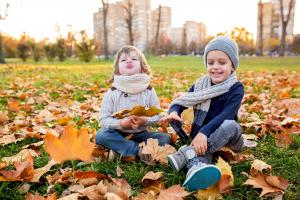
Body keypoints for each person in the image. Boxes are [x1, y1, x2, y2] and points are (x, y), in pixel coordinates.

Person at [160, 36, 244, 191]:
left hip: (228, 137)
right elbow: (183, 100)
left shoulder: (236, 87)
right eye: (210, 62)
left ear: (233, 65)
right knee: (201, 155)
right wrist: (174, 112)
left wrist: (204, 132)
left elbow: (228, 114)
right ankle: (194, 167)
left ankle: (187, 153)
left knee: (230, 125)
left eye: (222, 62)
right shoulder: (201, 85)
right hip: (203, 140)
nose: (215, 67)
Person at [95, 45, 170, 161]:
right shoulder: (113, 91)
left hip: (141, 134)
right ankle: (137, 151)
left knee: (165, 138)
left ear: (142, 67)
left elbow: (158, 116)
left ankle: (120, 150)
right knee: (101, 135)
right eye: (124, 60)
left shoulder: (148, 90)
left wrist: (145, 120)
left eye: (134, 59)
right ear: (117, 69)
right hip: (117, 133)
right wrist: (121, 123)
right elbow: (103, 119)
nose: (129, 61)